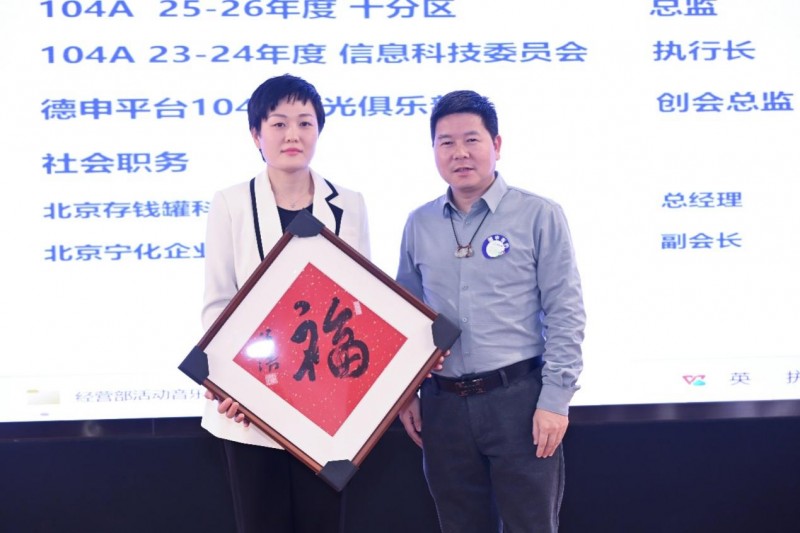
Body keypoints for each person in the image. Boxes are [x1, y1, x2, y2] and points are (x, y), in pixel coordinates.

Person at [396, 90, 586, 533]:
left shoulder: (538, 214)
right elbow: (405, 316)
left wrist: (555, 400)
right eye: (446, 142)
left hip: (518, 401)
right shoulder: (419, 223)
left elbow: (565, 310)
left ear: (496, 144)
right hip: (443, 406)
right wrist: (406, 393)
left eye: (471, 140)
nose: (459, 153)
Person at [201, 73, 370, 533]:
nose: (292, 134)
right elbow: (218, 304)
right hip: (250, 407)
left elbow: (362, 304)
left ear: (319, 130)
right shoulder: (231, 203)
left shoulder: (349, 204)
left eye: (305, 123)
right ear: (256, 135)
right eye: (278, 123)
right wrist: (232, 384)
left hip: (325, 408)